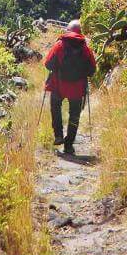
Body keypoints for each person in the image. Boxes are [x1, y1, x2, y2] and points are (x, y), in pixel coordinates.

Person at [43, 19, 96, 154]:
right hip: (77, 89)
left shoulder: (59, 45)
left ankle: (58, 135)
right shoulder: (85, 48)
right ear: (80, 32)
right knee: (74, 116)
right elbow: (92, 70)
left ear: (68, 30)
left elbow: (48, 64)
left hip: (58, 85)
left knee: (55, 108)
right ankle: (68, 144)